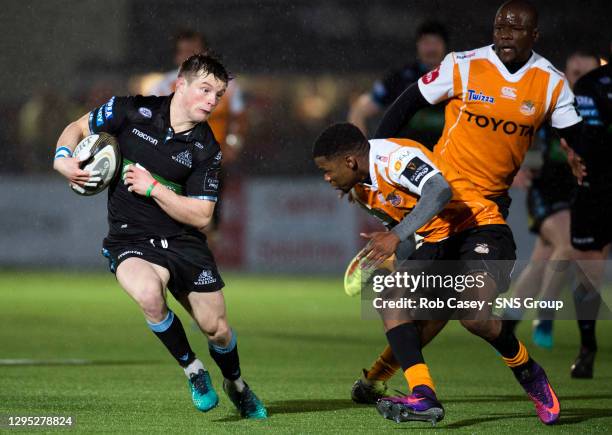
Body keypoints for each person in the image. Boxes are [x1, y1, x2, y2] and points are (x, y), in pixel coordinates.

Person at [353, 0, 583, 411]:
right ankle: (414, 392)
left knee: (472, 314)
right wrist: (376, 157)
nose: (505, 33)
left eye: (515, 27)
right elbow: (407, 103)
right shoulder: (462, 65)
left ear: (535, 35)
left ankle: (528, 370)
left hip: (485, 213)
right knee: (398, 300)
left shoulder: (551, 83)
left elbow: (579, 139)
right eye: (499, 26)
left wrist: (587, 163)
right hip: (439, 209)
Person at [52, 54, 267, 419]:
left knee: (217, 330)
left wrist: (155, 190)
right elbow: (76, 127)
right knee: (150, 295)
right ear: (179, 85)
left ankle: (237, 384)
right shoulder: (130, 111)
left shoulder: (205, 148)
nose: (212, 101)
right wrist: (61, 158)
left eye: (218, 94)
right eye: (205, 90)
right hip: (129, 238)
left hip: (183, 242)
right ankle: (194, 370)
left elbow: (202, 216)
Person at [314, 122, 560, 425]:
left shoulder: (394, 158)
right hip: (436, 244)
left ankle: (529, 372)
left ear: (350, 161)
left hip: (479, 228)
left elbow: (439, 191)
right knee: (391, 299)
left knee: (474, 316)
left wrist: (396, 238)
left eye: (327, 170)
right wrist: (402, 265)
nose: (326, 177)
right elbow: (407, 230)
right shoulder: (363, 193)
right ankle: (423, 395)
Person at [504, 51, 600, 348]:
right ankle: (545, 315)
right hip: (546, 190)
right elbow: (514, 128)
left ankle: (507, 321)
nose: (580, 79)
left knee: (542, 260)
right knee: (567, 244)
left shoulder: (601, 110)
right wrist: (514, 166)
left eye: (588, 74)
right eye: (575, 72)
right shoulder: (552, 101)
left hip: (577, 192)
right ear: (565, 74)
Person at [148, 30, 247, 236]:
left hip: (211, 162)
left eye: (194, 51)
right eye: (184, 52)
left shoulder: (226, 85)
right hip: (173, 162)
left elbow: (239, 120)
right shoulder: (163, 86)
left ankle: (201, 265)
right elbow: (150, 123)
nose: (189, 56)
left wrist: (232, 147)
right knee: (171, 219)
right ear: (176, 56)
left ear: (205, 53)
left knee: (206, 223)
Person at [565, 61, 612, 378]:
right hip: (597, 188)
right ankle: (587, 347)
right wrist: (569, 150)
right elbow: (584, 136)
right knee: (587, 270)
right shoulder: (591, 85)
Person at [348, 21, 448, 146]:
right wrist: (361, 153)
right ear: (418, 45)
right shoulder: (401, 77)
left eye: (436, 43)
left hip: (449, 158)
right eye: (426, 43)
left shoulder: (458, 76)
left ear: (444, 45)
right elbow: (359, 109)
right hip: (407, 159)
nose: (431, 49)